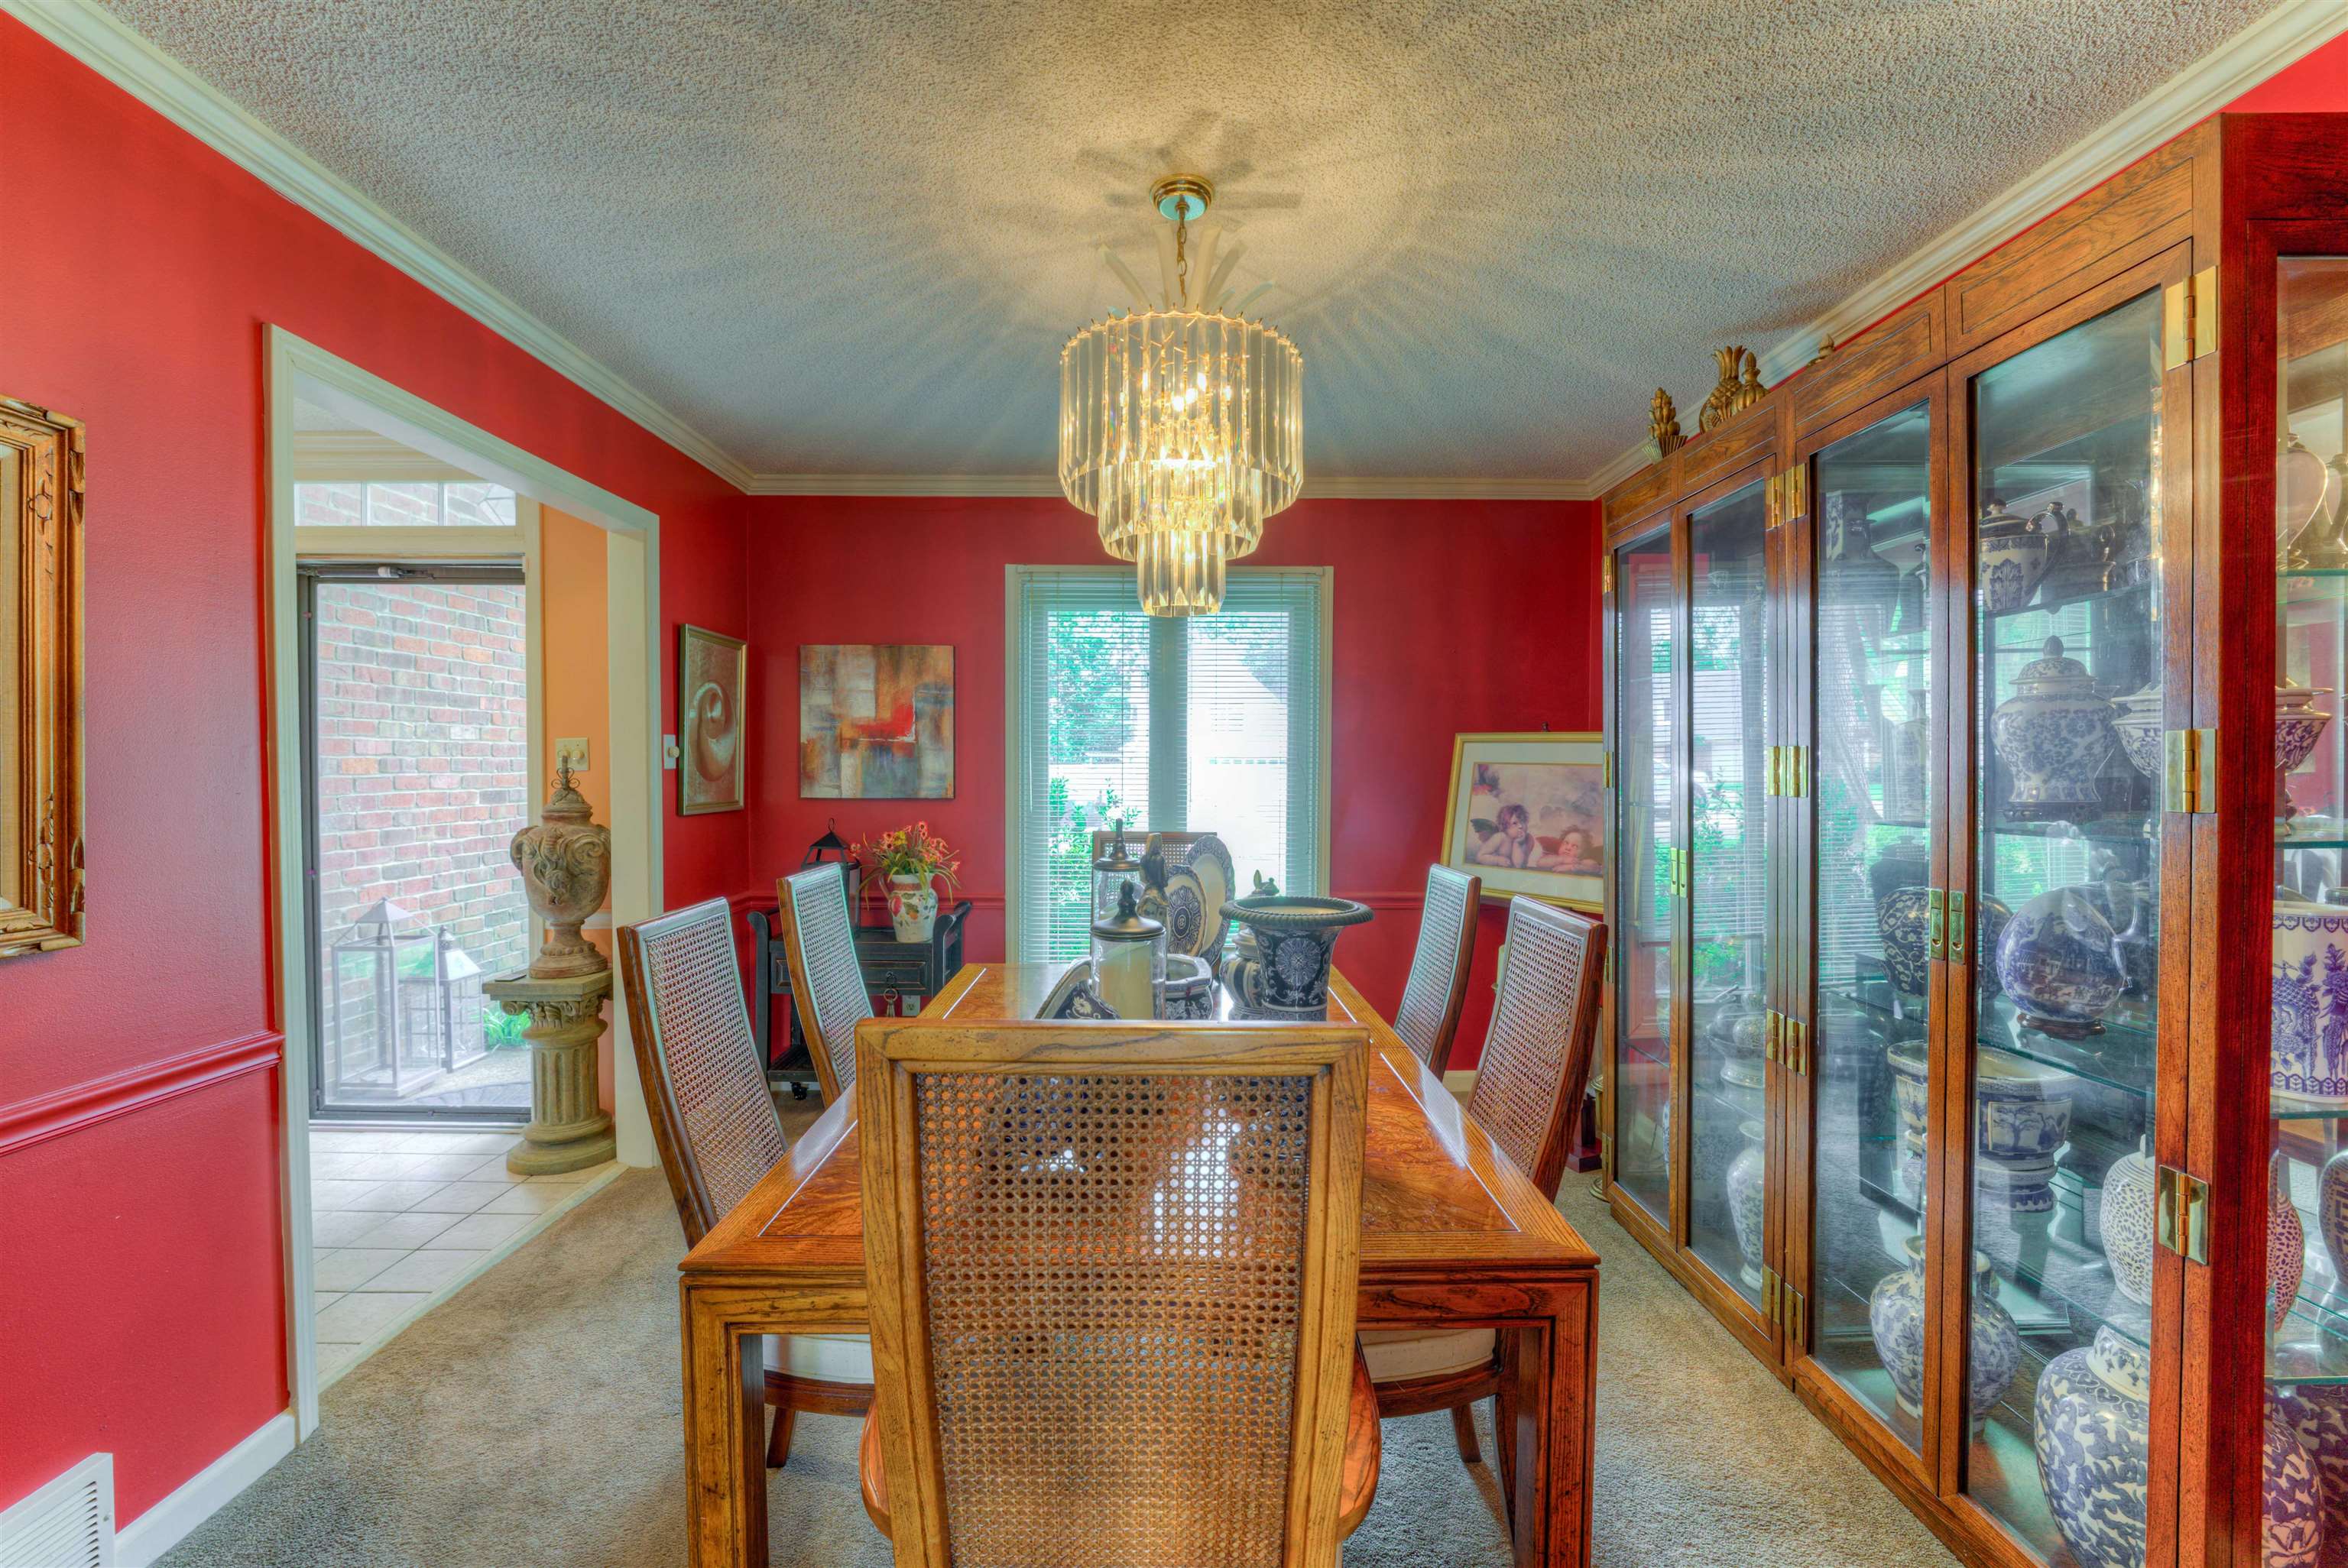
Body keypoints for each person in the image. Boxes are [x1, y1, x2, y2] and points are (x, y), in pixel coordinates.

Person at [1475, 802, 1537, 868]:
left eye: (1523, 821)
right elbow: (1479, 857)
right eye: (1515, 823)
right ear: (1505, 826)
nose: (1521, 826)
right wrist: (1497, 860)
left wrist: (1517, 843)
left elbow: (1518, 865)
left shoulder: (1528, 839)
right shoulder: (1500, 837)